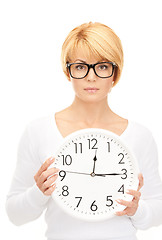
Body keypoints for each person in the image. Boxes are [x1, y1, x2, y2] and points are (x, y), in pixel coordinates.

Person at [6, 22, 162, 240]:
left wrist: (138, 209)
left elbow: (158, 211)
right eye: (80, 66)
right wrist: (38, 192)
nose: (91, 77)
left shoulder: (140, 136)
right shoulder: (38, 131)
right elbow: (14, 214)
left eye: (102, 66)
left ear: (115, 73)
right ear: (67, 71)